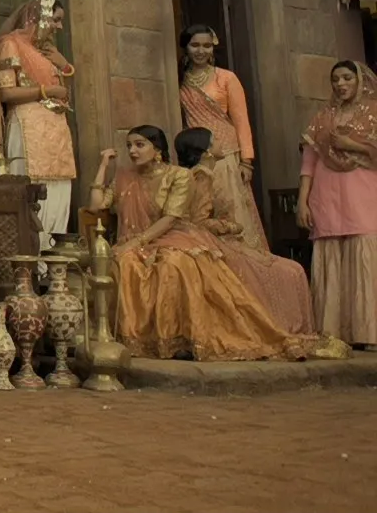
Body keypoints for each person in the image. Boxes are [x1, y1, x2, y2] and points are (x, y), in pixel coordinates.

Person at [87, 126, 319, 361]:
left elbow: (171, 218)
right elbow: (96, 206)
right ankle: (140, 339)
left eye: (139, 145)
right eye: (129, 146)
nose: (132, 151)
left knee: (173, 263)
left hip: (170, 235)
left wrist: (138, 242)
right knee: (125, 262)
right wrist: (103, 166)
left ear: (157, 149)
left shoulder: (178, 175)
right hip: (134, 241)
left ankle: (181, 338)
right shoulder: (124, 177)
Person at [177, 127, 316, 334]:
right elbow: (199, 221)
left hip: (220, 242)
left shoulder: (203, 174)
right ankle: (280, 329)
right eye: (215, 141)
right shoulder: (202, 176)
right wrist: (232, 226)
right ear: (206, 151)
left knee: (289, 270)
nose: (221, 144)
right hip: (214, 245)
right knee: (291, 272)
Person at [300, 60, 377, 348]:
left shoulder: (373, 112)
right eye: (336, 79)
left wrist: (352, 145)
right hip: (326, 191)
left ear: (359, 80)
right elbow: (309, 161)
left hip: (363, 190)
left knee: (364, 249)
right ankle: (334, 332)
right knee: (331, 249)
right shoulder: (323, 116)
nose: (341, 84)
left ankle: (369, 333)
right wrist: (302, 201)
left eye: (347, 78)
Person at [177, 25, 271, 254]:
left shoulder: (226, 78)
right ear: (185, 47)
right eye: (195, 45)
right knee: (202, 210)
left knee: (229, 209)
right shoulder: (179, 78)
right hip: (195, 155)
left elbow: (241, 120)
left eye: (207, 46)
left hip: (225, 153)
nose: (201, 51)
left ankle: (244, 261)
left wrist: (246, 161)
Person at [0, 0, 78, 250]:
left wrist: (64, 65)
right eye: (55, 20)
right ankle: (32, 260)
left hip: (57, 133)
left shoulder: (47, 51)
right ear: (38, 17)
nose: (59, 27)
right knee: (33, 192)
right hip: (29, 127)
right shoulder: (11, 44)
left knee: (59, 190)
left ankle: (53, 260)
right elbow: (6, 93)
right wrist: (46, 91)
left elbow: (63, 95)